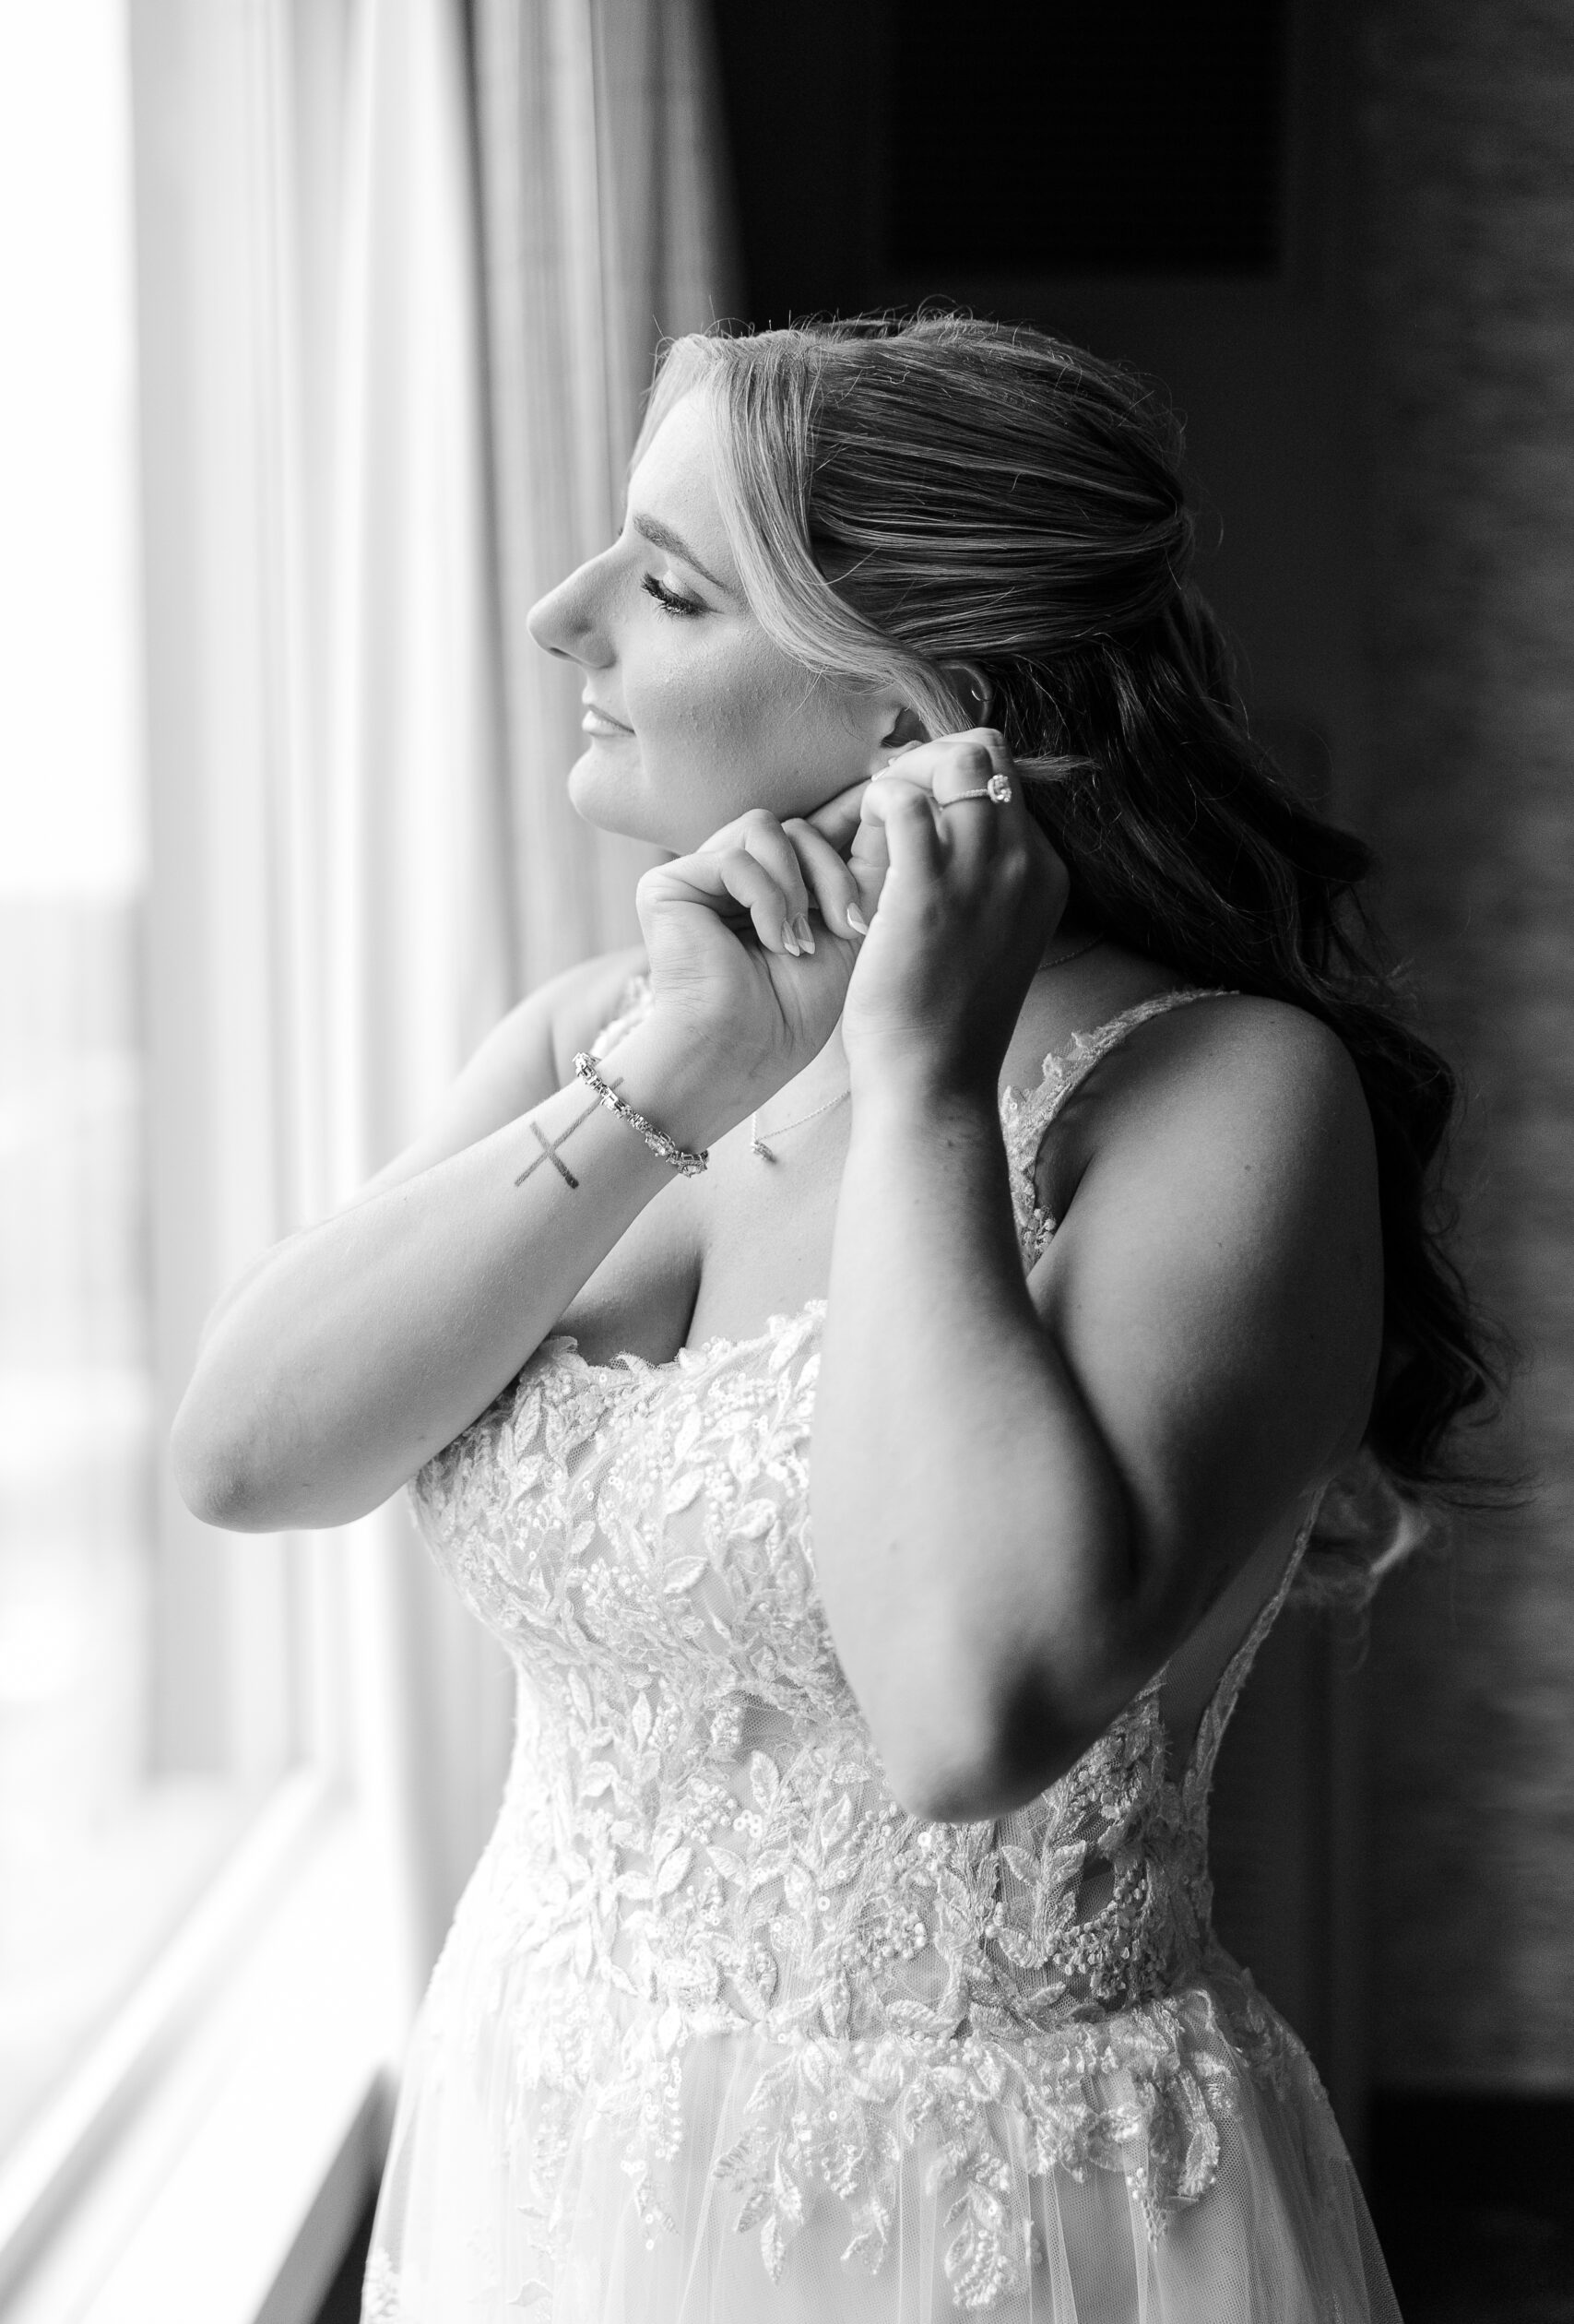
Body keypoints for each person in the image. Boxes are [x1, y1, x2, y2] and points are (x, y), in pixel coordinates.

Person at [172, 314, 1500, 2319]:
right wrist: (666, 1081)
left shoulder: (1221, 1099)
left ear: (906, 728)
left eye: (665, 580)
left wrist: (916, 1089)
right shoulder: (596, 1041)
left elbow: (970, 1709)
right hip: (539, 2148)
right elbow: (246, 1454)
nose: (560, 614)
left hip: (988, 2225)